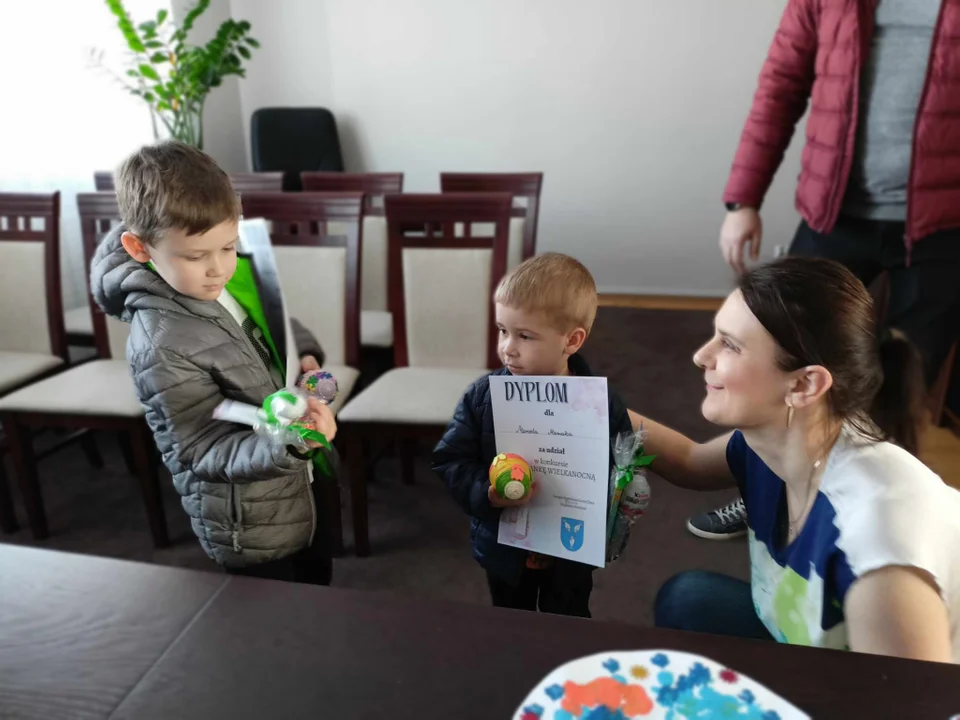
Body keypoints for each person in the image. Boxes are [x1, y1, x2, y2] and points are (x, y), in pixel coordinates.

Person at [691, 0, 960, 540]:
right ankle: (766, 488)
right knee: (782, 365)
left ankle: (867, 521)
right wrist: (743, 198)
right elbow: (781, 84)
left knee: (907, 383)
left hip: (944, 227)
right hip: (834, 214)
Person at [637, 256, 959, 662]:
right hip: (811, 643)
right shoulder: (780, 437)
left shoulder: (880, 552)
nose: (702, 356)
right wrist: (587, 402)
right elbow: (688, 460)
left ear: (805, 384)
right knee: (687, 598)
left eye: (730, 345)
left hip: (884, 694)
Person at [90, 140, 338, 585]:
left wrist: (305, 356)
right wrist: (291, 443)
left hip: (297, 488)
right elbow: (200, 450)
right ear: (139, 247)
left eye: (228, 246)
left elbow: (274, 322)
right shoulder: (160, 344)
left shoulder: (222, 275)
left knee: (319, 597)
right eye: (195, 256)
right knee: (277, 630)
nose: (219, 268)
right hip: (250, 520)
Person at [432, 253, 632, 617]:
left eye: (524, 335)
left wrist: (622, 500)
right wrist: (488, 494)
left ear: (571, 340)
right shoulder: (482, 397)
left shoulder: (601, 405)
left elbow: (621, 468)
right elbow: (450, 460)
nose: (507, 346)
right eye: (503, 330)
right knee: (510, 623)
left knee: (569, 620)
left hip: (570, 554)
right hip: (503, 549)